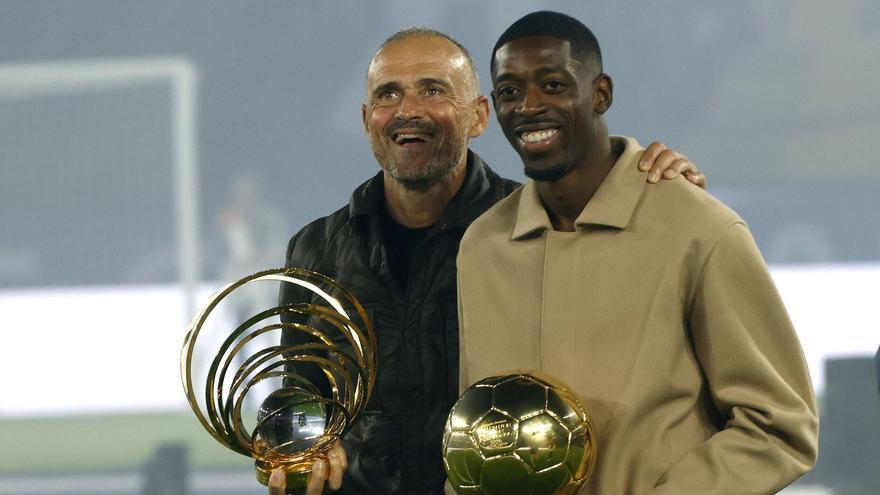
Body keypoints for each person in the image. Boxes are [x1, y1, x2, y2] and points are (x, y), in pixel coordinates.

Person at [271, 27, 705, 495]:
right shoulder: (316, 248)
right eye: (388, 94)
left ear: (479, 116)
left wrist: (653, 184)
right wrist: (295, 445)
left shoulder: (538, 228)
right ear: (366, 119)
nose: (408, 110)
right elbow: (300, 395)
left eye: (433, 90)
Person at [456, 11, 819, 495]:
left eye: (553, 84)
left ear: (600, 93)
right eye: (510, 91)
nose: (529, 106)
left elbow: (779, 425)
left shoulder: (699, 228)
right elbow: (477, 434)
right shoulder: (482, 247)